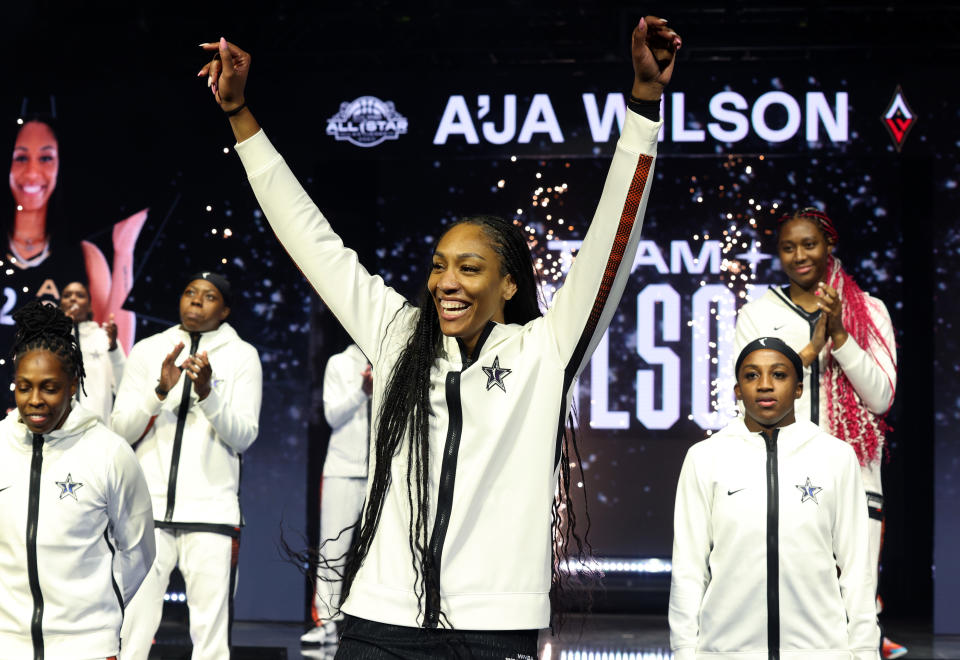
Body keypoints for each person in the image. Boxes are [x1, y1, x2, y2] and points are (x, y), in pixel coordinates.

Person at [199, 14, 678, 657]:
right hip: (377, 620)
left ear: (509, 284)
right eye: (437, 266)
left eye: (470, 268)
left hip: (491, 629)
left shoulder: (545, 349)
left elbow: (611, 244)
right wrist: (241, 118)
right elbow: (309, 237)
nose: (446, 282)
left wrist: (643, 107)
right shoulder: (397, 335)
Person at [733, 208, 901, 658]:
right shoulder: (758, 314)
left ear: (829, 247)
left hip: (856, 480)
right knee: (789, 608)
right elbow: (747, 397)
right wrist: (810, 350)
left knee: (857, 604)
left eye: (809, 245)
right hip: (783, 476)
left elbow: (882, 397)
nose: (799, 255)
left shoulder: (869, 311)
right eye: (788, 247)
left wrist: (842, 337)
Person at [669, 336, 880, 660]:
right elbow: (689, 567)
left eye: (779, 374)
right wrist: (684, 650)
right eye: (752, 375)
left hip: (820, 652)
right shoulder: (705, 457)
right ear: (737, 389)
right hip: (726, 652)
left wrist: (865, 651)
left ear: (798, 387)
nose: (765, 385)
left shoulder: (835, 456)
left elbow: (856, 566)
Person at [111, 272, 262, 660]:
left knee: (211, 641)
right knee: (130, 633)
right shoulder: (149, 350)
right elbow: (119, 430)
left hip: (212, 515)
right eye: (190, 292)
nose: (196, 301)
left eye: (209, 296)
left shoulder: (242, 355)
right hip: (149, 514)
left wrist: (208, 394)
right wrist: (159, 391)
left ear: (225, 310)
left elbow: (244, 435)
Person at [0, 299, 155, 659]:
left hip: (86, 644)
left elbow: (139, 551)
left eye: (49, 387)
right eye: (24, 387)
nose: (34, 400)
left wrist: (96, 614)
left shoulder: (109, 452)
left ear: (72, 386)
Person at [6, 116, 147, 352]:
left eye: (46, 158)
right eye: (21, 157)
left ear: (61, 165)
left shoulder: (85, 256)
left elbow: (116, 352)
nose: (32, 173)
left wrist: (124, 252)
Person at [301, 343, 372, 647]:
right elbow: (332, 415)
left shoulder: (394, 356)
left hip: (384, 470)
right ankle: (326, 623)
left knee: (382, 554)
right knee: (333, 549)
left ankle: (378, 626)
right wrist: (362, 391)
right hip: (344, 468)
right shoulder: (340, 363)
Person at [60, 280, 125, 426]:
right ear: (61, 304)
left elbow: (123, 386)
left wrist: (113, 347)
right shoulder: (51, 339)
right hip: (58, 430)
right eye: (67, 295)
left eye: (80, 295)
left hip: (96, 430)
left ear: (89, 306)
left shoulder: (104, 338)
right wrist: (61, 331)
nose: (73, 299)